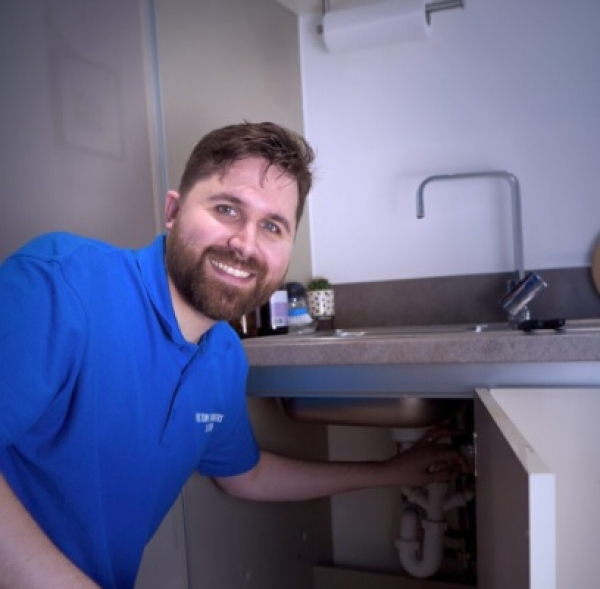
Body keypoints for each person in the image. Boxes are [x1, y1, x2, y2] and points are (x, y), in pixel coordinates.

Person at [0, 121, 464, 589]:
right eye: (227, 209)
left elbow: (248, 475)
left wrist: (388, 473)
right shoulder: (59, 284)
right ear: (173, 211)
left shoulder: (223, 358)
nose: (245, 243)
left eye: (272, 226)